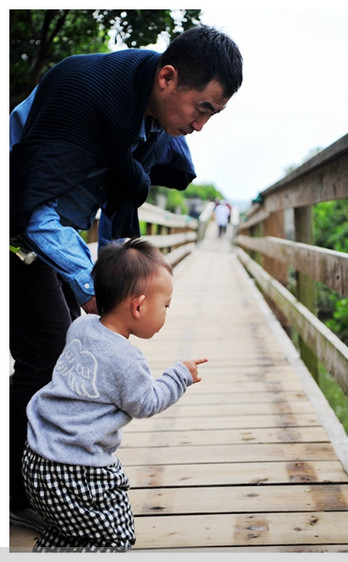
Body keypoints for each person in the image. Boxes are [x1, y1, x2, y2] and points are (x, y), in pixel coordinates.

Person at [9, 25, 243, 531]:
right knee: (46, 352)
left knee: (61, 348)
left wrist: (103, 279)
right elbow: (32, 207)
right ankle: (21, 489)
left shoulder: (146, 105)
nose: (201, 126)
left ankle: (42, 470)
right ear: (167, 77)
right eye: (202, 109)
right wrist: (99, 286)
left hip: (58, 226)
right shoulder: (85, 94)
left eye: (213, 115)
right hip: (20, 221)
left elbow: (159, 174)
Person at [22, 238, 207, 551]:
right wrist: (178, 376)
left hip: (36, 460)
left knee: (69, 530)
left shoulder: (80, 328)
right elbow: (147, 401)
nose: (166, 314)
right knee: (114, 536)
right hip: (77, 471)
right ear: (137, 306)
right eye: (165, 306)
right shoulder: (126, 360)